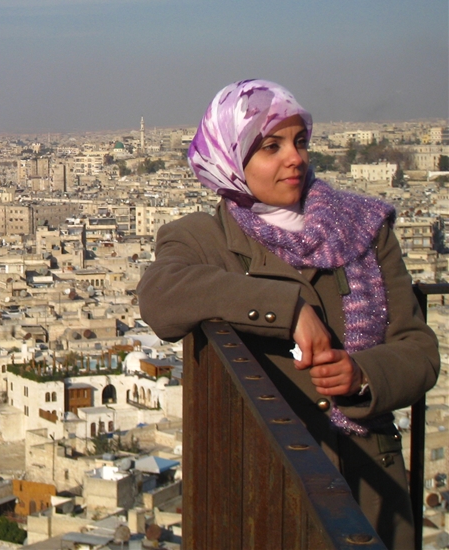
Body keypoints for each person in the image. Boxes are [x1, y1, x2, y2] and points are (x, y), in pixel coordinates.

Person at [137, 79, 438, 549]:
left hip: (371, 485)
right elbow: (160, 295)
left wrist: (362, 375)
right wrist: (288, 308)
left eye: (299, 142)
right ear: (230, 159)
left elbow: (419, 351)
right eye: (271, 147)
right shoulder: (202, 238)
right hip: (267, 488)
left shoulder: (365, 227)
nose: (294, 158)